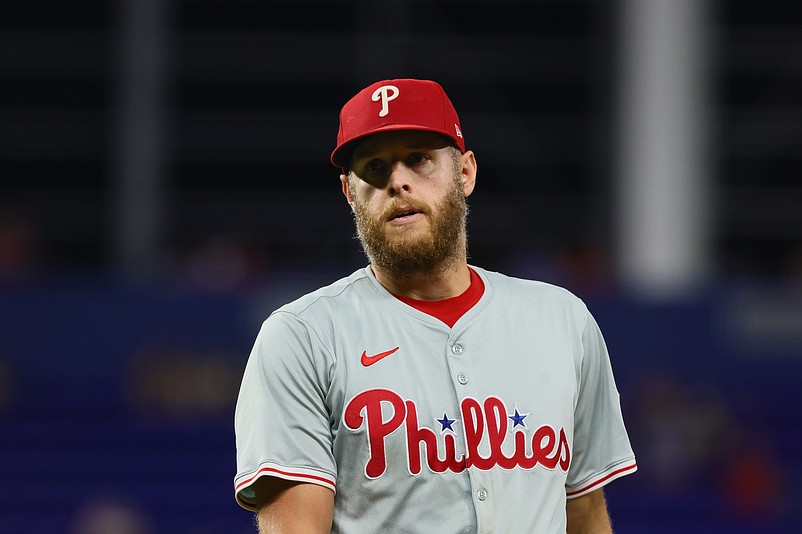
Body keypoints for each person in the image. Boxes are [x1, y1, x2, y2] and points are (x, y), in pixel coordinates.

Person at [234, 78, 637, 533]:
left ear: (465, 173)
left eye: (419, 159)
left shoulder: (563, 321)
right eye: (374, 167)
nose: (397, 181)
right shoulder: (304, 336)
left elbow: (584, 513)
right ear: (350, 193)